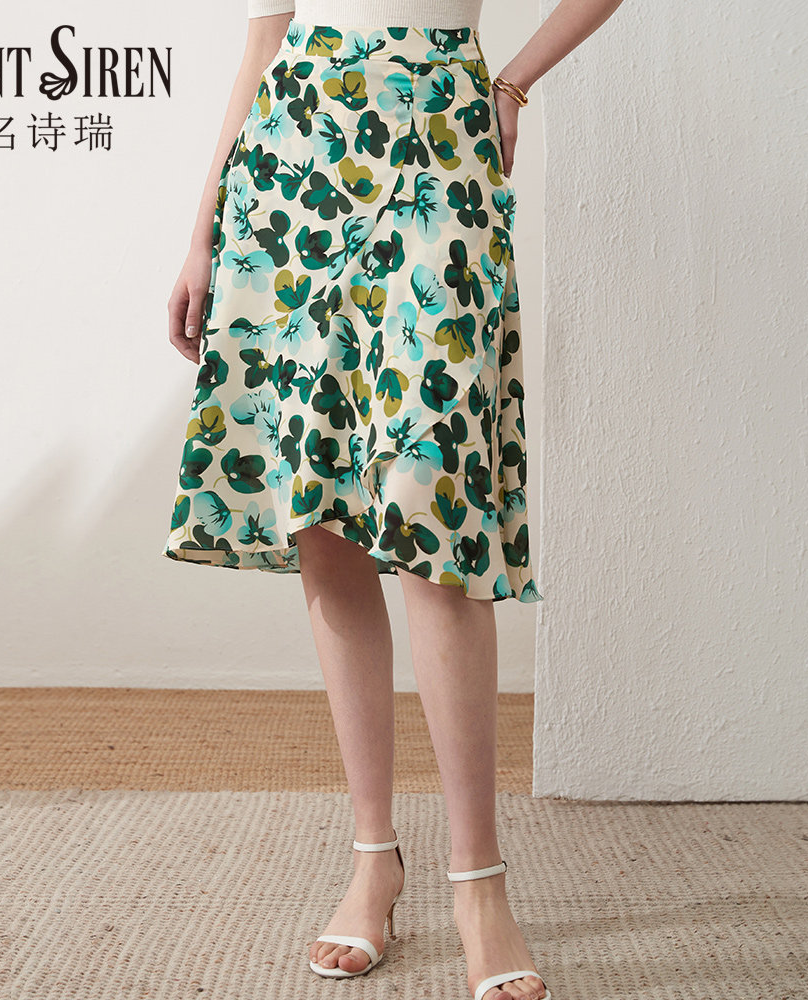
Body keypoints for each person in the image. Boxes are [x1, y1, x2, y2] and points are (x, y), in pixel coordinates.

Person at [163, 2, 626, 998]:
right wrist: (204, 227)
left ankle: (479, 883)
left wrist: (512, 83)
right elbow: (265, 38)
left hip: (438, 146)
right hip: (292, 161)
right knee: (323, 520)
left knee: (435, 517)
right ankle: (373, 857)